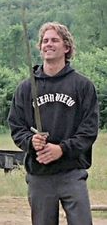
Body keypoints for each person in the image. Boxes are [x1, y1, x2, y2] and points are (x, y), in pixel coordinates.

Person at [7, 22, 99, 225]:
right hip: (40, 175)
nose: (48, 44)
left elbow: (89, 129)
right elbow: (16, 126)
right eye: (45, 41)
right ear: (40, 47)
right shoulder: (25, 88)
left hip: (72, 172)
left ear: (66, 47)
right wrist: (31, 141)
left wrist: (62, 149)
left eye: (54, 40)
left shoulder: (82, 86)